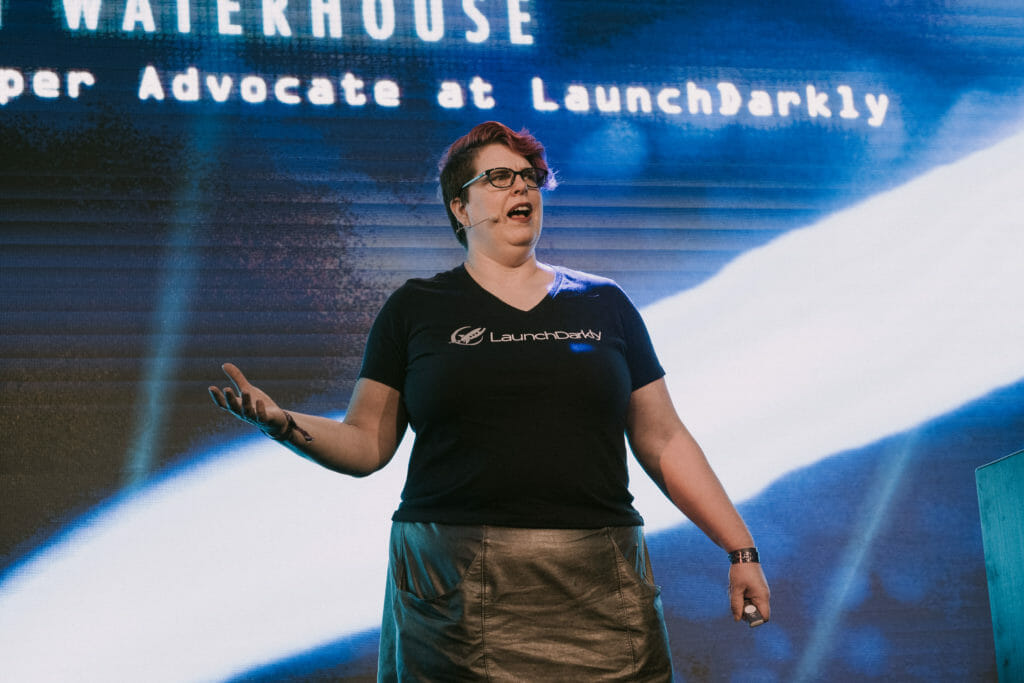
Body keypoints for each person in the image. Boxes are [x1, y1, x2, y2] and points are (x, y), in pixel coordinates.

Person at [208, 121, 771, 681]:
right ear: (460, 206)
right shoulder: (416, 308)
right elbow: (365, 444)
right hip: (452, 585)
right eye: (499, 177)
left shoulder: (604, 303)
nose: (522, 188)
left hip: (595, 580)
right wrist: (283, 424)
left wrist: (739, 549)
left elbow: (664, 437)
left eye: (530, 177)